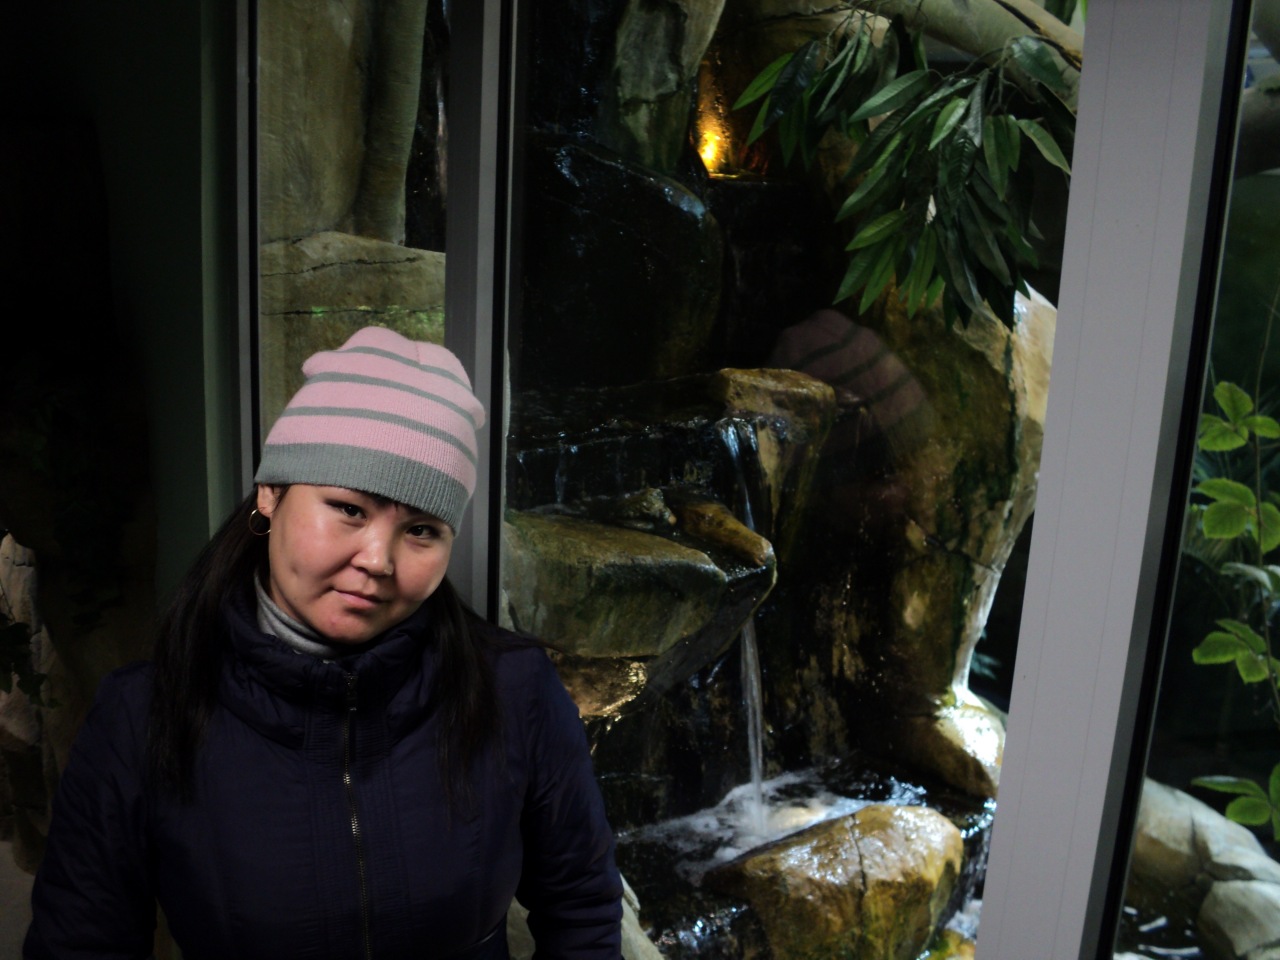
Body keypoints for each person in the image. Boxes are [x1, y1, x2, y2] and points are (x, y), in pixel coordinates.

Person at [24, 327, 624, 959]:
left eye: (421, 529)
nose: (378, 560)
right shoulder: (143, 715)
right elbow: (79, 944)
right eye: (350, 509)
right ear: (271, 493)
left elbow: (581, 904)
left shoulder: (514, 689)